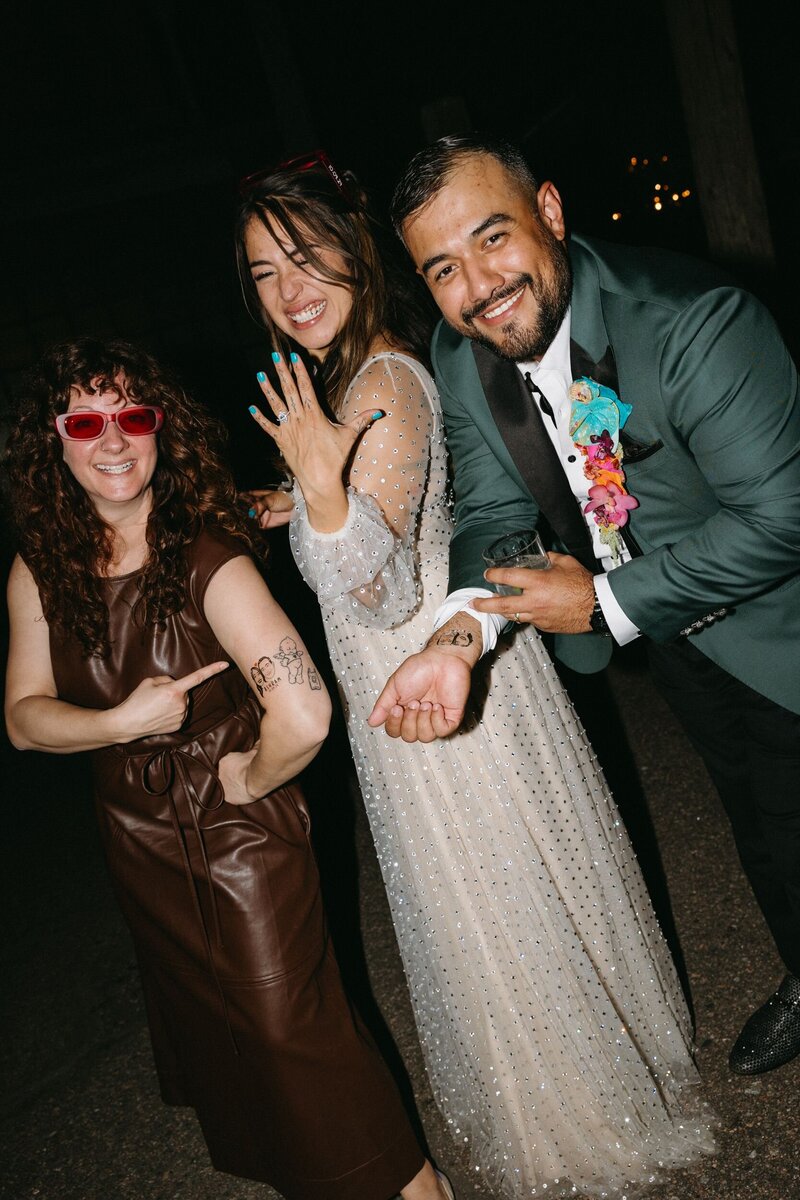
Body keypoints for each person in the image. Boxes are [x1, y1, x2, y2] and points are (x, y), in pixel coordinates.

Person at [235, 154, 715, 1200]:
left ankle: (581, 1117)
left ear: (357, 256)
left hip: (440, 684)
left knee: (502, 898)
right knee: (498, 899)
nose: (290, 287)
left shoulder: (386, 381)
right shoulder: (345, 383)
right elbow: (381, 506)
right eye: (265, 271)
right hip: (416, 681)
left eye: (307, 255)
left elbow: (374, 582)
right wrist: (296, 495)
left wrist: (320, 494)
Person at [372, 132, 800, 1079]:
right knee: (756, 818)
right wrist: (461, 634)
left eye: (493, 238)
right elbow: (490, 512)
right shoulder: (461, 352)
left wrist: (605, 602)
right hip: (676, 637)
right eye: (443, 267)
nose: (478, 285)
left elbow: (784, 518)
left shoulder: (695, 321)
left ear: (551, 214)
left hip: (783, 625)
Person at [2, 336, 453, 1200]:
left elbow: (306, 709)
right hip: (140, 847)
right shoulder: (40, 571)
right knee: (235, 1049)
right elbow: (24, 720)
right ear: (52, 440)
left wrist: (249, 779)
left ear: (159, 429)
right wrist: (117, 721)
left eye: (133, 416)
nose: (112, 438)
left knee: (302, 1040)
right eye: (86, 420)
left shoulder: (207, 552)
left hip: (240, 842)